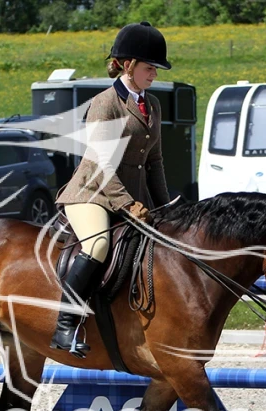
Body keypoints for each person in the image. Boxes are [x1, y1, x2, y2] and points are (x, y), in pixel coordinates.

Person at [51, 21, 171, 357]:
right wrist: (128, 204)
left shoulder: (153, 104)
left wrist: (168, 208)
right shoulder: (105, 104)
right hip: (92, 193)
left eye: (156, 69)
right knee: (99, 244)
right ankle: (65, 325)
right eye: (149, 68)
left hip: (133, 197)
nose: (154, 75)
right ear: (128, 65)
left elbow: (155, 162)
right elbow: (104, 164)